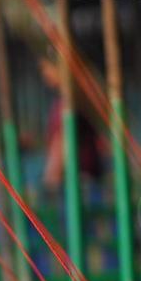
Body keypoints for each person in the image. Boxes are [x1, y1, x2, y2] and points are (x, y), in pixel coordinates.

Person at [39, 53, 106, 191]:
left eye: (46, 68)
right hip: (88, 175)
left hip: (78, 180)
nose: (44, 74)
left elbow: (62, 141)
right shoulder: (81, 97)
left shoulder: (69, 103)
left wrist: (51, 177)